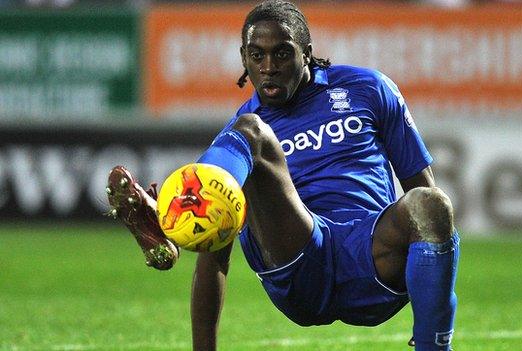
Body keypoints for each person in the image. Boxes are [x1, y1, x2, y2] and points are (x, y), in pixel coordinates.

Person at [107, 1, 460, 350]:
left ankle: (171, 217)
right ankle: (184, 212)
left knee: (431, 204)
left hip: (372, 253)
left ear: (306, 53)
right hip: (300, 261)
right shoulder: (243, 138)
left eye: (282, 54)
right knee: (250, 132)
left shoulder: (368, 88)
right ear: (243, 58)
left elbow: (428, 203)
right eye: (256, 56)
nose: (269, 67)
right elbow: (216, 259)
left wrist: (435, 301)